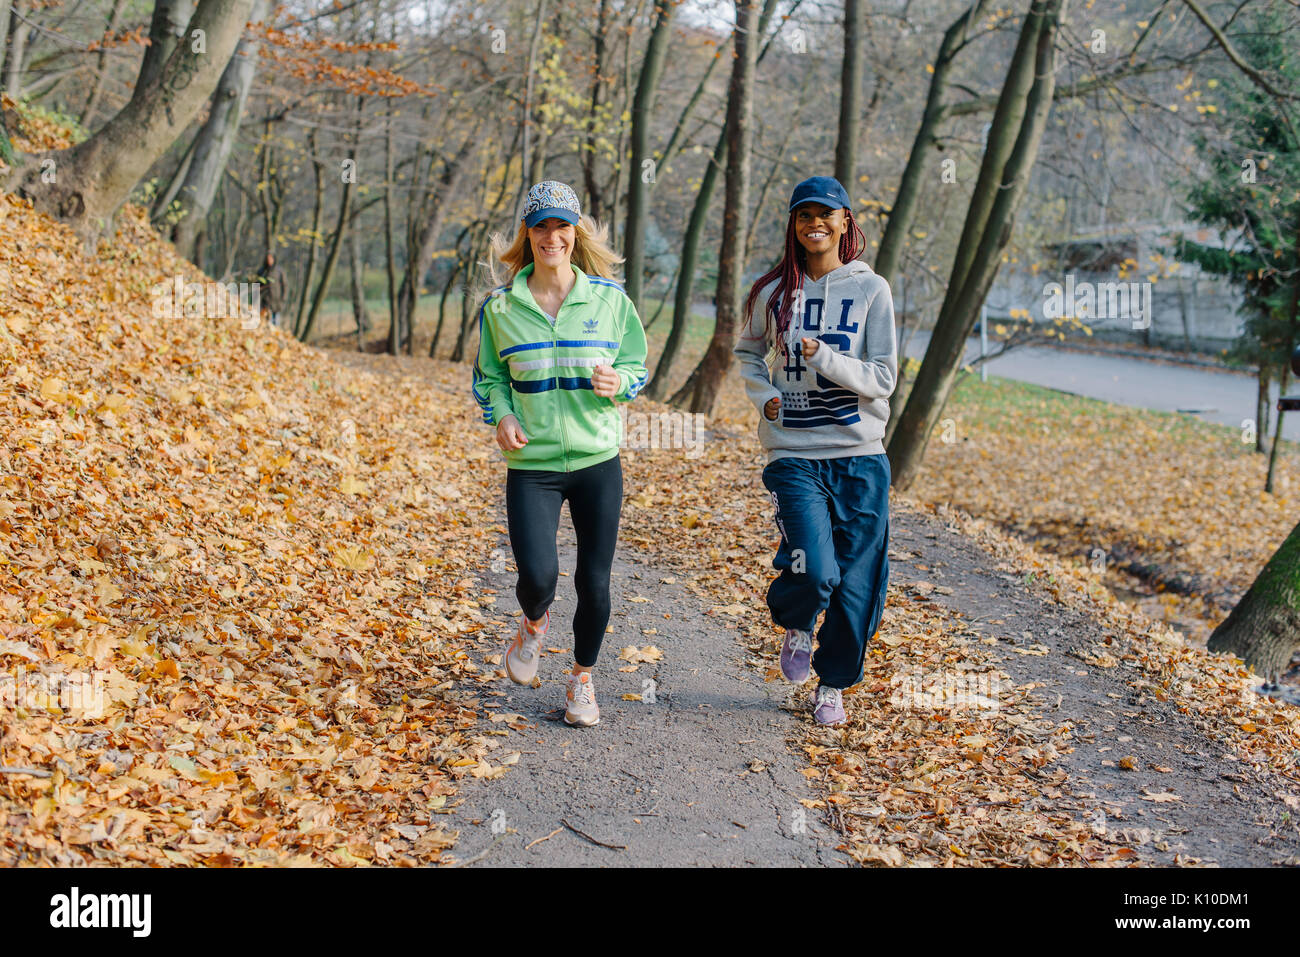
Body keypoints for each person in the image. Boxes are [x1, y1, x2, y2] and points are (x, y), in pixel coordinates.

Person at [471, 181, 649, 727]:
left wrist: (617, 382)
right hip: (533, 466)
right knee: (538, 577)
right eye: (541, 226)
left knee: (594, 581)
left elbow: (637, 369)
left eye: (562, 226)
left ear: (577, 233)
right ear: (529, 233)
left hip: (598, 462)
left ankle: (581, 682)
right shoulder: (501, 308)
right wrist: (500, 414)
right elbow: (490, 377)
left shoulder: (610, 302)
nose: (553, 236)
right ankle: (532, 627)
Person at [733, 175, 897, 727]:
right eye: (804, 216)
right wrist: (766, 398)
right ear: (794, 225)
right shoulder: (773, 293)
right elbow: (748, 354)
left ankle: (833, 685)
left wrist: (825, 358)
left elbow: (883, 377)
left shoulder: (873, 290)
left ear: (846, 221)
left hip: (860, 455)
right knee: (814, 567)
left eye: (826, 214)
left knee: (858, 585)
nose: (814, 224)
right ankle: (800, 621)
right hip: (794, 452)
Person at [256, 252, 287, 329]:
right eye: (267, 258)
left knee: (276, 324)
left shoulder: (279, 272)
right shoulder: (262, 271)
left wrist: (283, 299)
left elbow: (285, 285)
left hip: (277, 302)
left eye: (271, 258)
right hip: (265, 302)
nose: (269, 260)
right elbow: (257, 284)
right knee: (265, 323)